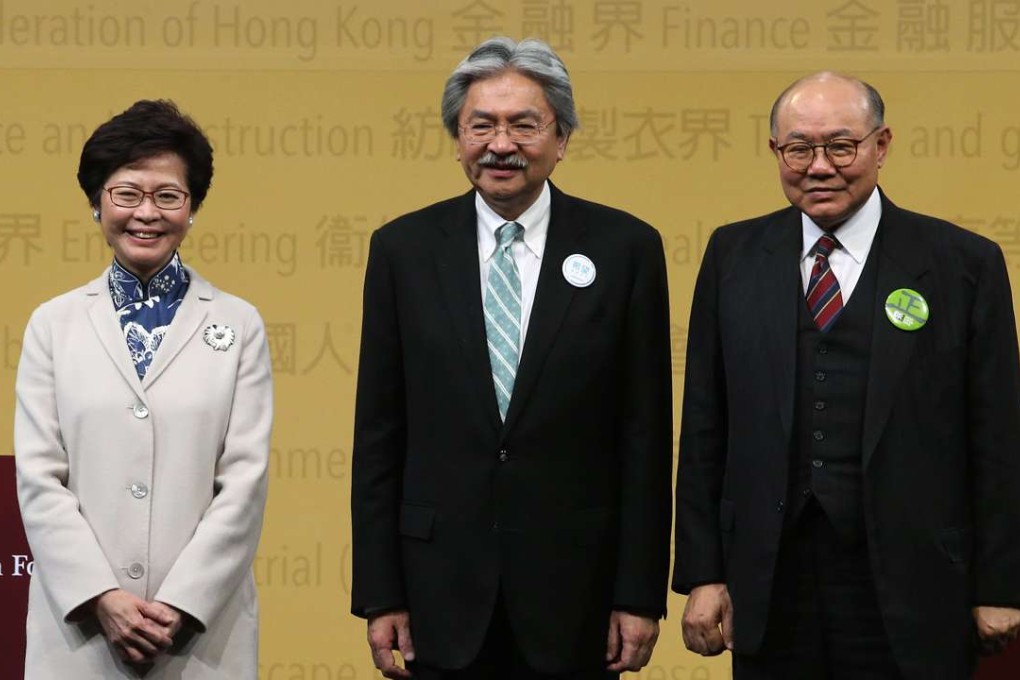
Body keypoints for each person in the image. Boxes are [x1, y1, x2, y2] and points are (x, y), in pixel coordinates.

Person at [673, 71, 1020, 679]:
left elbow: (998, 439)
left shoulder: (963, 263)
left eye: (841, 146)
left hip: (914, 582)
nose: (820, 166)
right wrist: (704, 573)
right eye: (799, 149)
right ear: (776, 152)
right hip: (771, 580)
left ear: (881, 146)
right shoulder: (734, 255)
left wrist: (1002, 584)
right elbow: (705, 425)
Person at [351, 36, 673, 680]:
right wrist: (381, 595)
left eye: (524, 125)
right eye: (482, 126)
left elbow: (645, 435)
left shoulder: (625, 248)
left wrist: (638, 594)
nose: (502, 144)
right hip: (437, 591)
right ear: (458, 137)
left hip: (576, 594)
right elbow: (380, 435)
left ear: (561, 137)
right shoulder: (403, 251)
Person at [14, 99, 273, 678]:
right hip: (79, 632)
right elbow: (39, 479)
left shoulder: (239, 323)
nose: (145, 213)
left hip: (202, 636)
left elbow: (244, 484)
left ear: (193, 207)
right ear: (96, 203)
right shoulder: (53, 325)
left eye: (167, 196)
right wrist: (102, 598)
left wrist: (180, 604)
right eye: (126, 194)